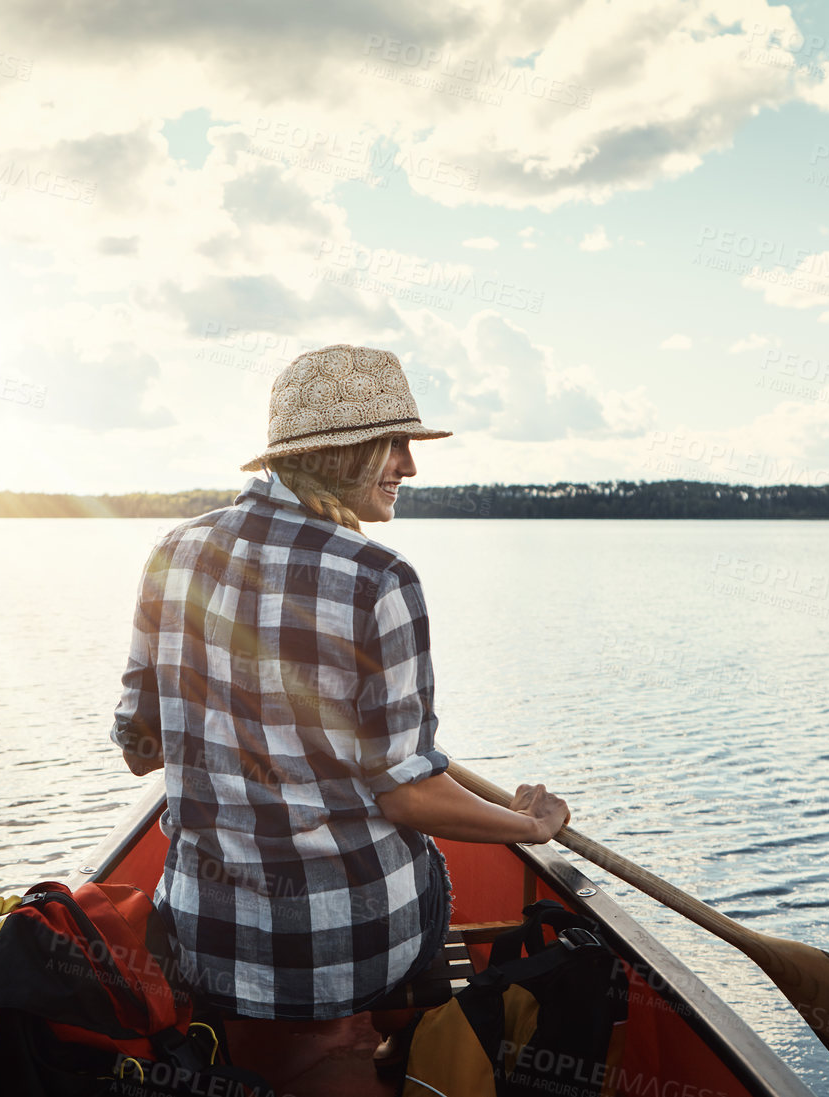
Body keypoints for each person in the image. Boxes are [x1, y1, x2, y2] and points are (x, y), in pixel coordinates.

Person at [110, 342, 570, 1059]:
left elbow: (141, 750)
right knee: (423, 888)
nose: (410, 466)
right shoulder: (379, 578)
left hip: (205, 938)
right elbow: (405, 796)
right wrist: (526, 828)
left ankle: (351, 1051)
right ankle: (391, 1049)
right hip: (348, 946)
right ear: (340, 452)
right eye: (395, 443)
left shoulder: (173, 552)